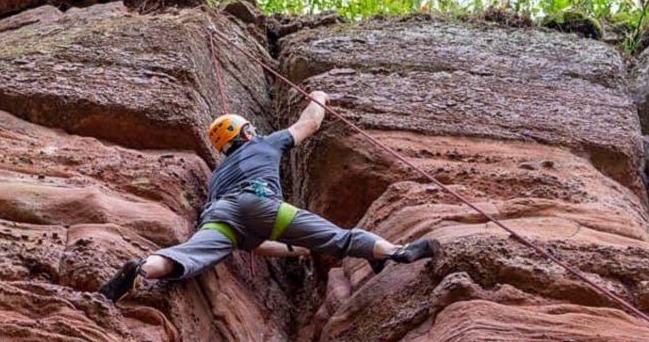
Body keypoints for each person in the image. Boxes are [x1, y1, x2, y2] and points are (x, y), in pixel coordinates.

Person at [99, 91, 436, 302]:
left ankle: (143, 268)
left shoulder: (218, 176)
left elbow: (253, 243)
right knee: (340, 238)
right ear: (245, 132)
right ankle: (396, 251)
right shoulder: (264, 144)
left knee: (189, 255)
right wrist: (318, 96)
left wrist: (299, 249)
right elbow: (310, 124)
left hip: (220, 218)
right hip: (262, 203)